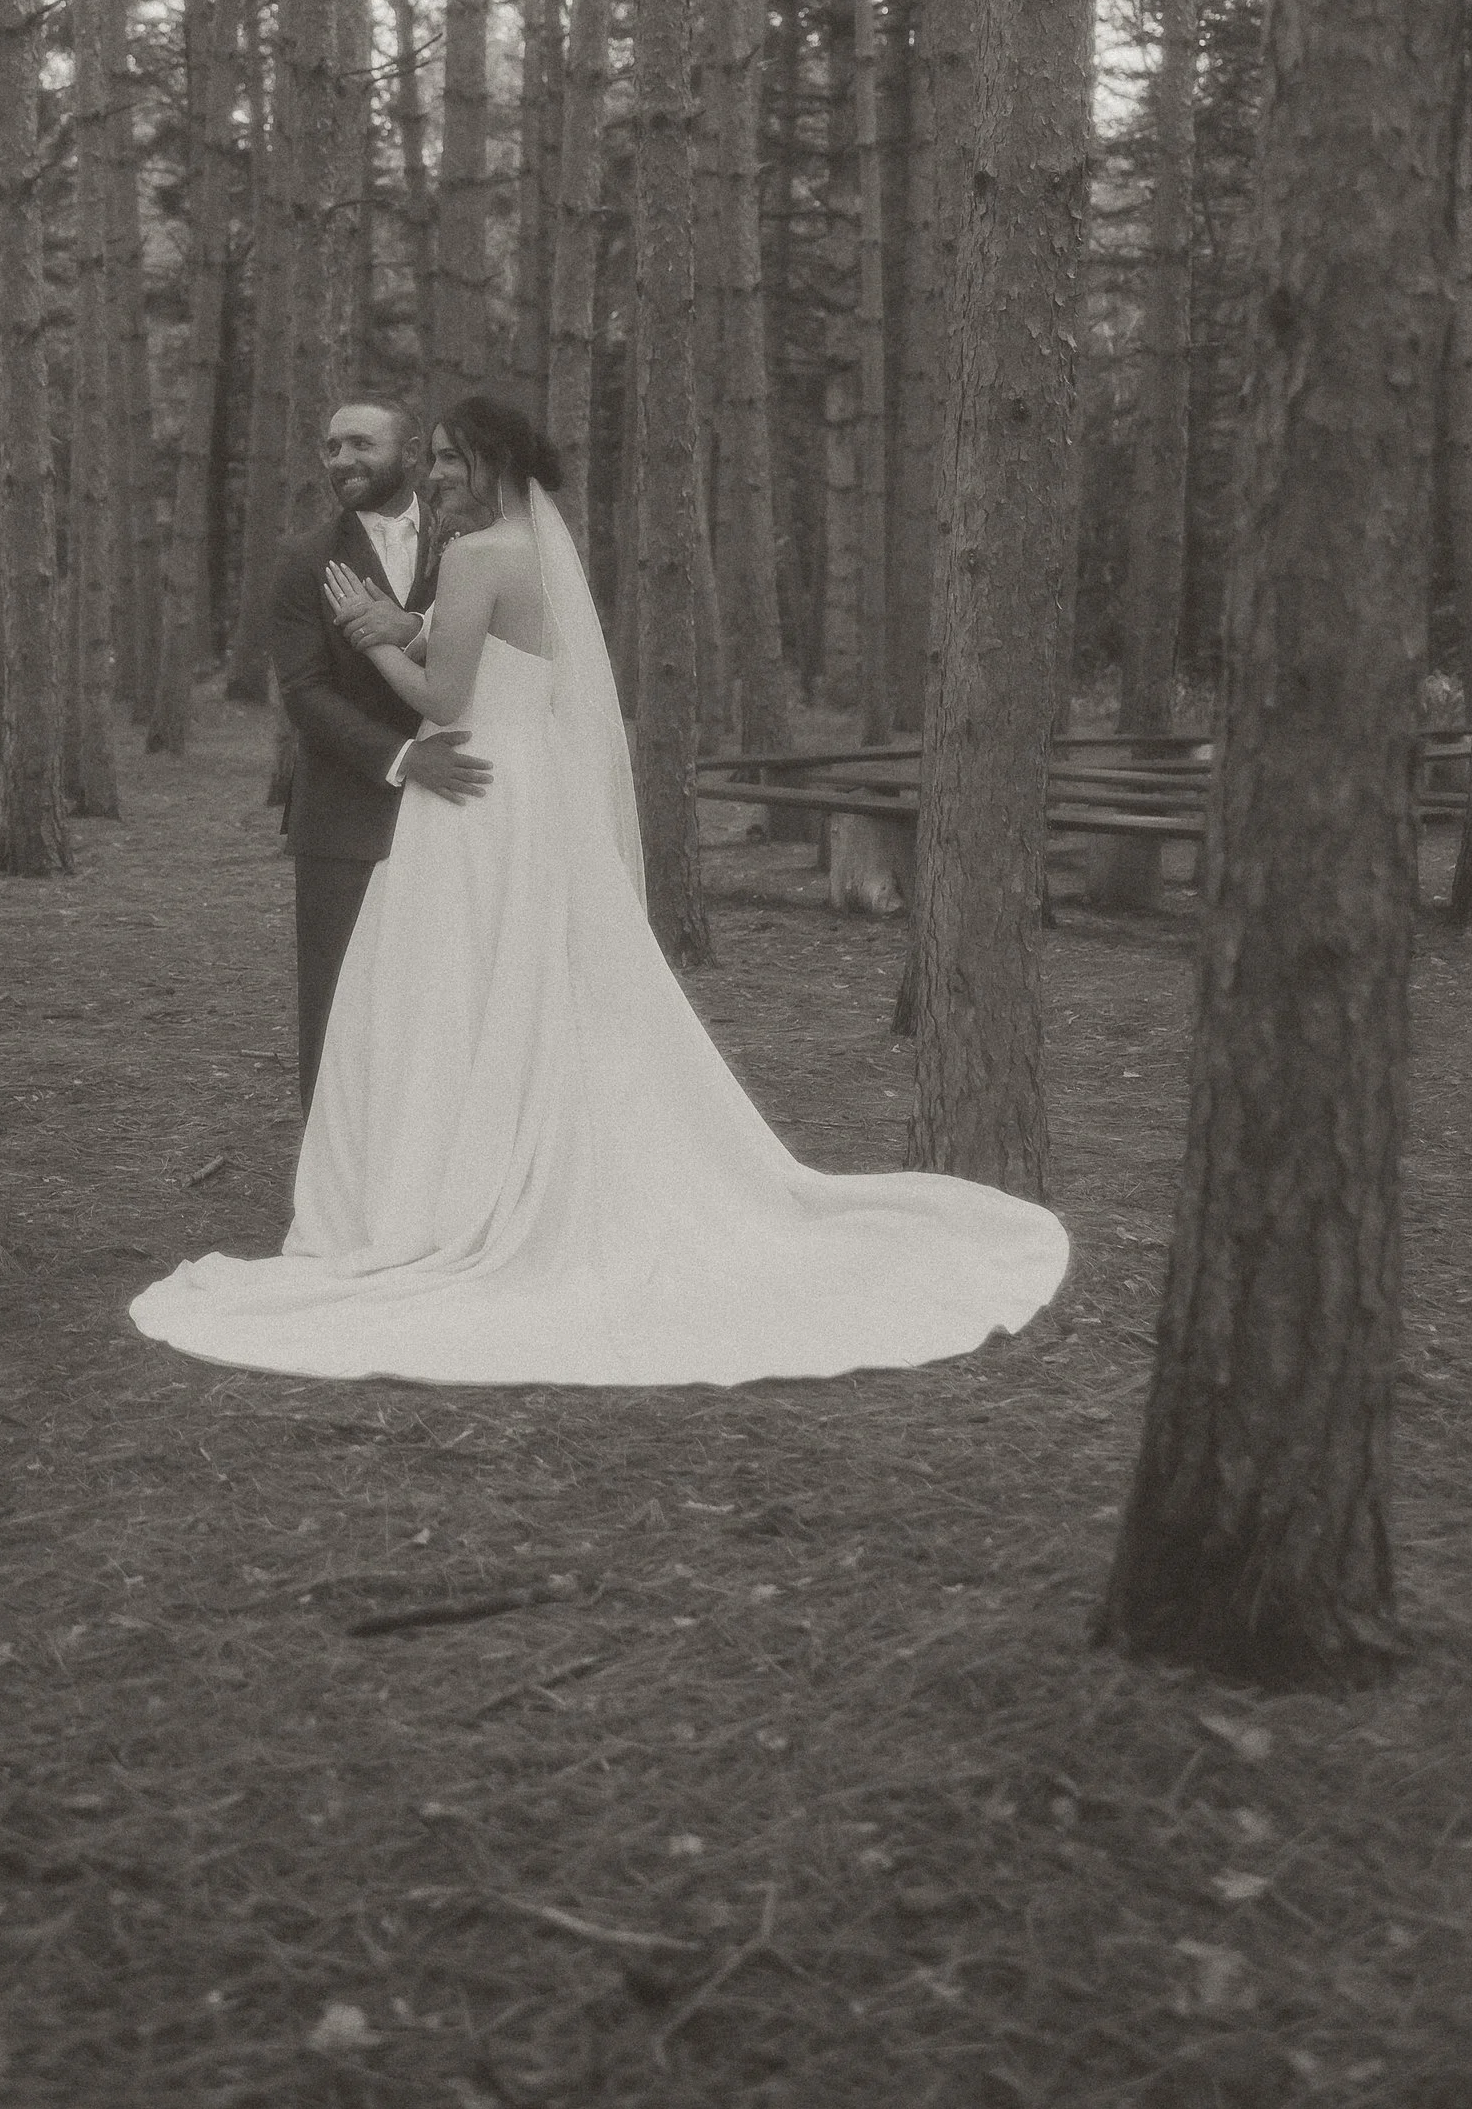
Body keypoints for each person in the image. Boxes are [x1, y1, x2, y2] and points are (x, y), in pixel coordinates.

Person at [135, 393, 1067, 1386]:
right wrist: (404, 625)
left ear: (483, 465)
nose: (441, 473)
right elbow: (478, 652)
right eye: (436, 459)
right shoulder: (525, 557)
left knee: (450, 988)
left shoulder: (474, 556)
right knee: (519, 988)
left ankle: (446, 1188)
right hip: (527, 793)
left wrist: (370, 635)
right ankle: (481, 1166)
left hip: (472, 795)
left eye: (450, 459)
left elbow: (445, 697)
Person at [268, 396, 492, 1118]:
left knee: (447, 1001)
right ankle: (334, 1183)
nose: (341, 461)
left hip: (463, 808)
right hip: (346, 814)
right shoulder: (305, 559)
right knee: (338, 1004)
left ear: (410, 455)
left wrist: (414, 625)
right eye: (332, 448)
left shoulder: (471, 542)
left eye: (360, 445)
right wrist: (402, 758)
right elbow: (304, 692)